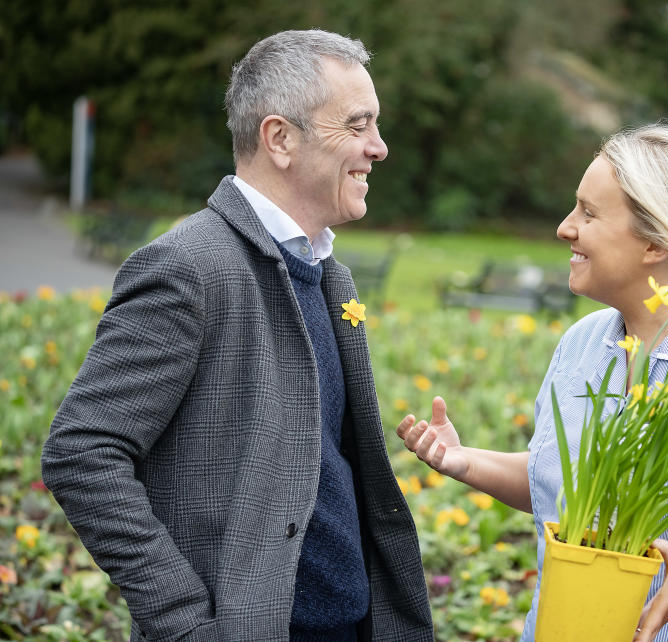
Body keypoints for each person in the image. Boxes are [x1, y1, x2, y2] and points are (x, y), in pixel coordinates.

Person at [42, 29, 432, 642]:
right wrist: (183, 622)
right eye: (357, 126)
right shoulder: (187, 268)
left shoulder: (328, 273)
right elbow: (81, 453)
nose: (379, 148)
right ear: (280, 138)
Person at [397, 124, 668, 641]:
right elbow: (568, 487)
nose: (565, 227)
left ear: (654, 242)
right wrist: (466, 461)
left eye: (588, 212)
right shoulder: (585, 344)